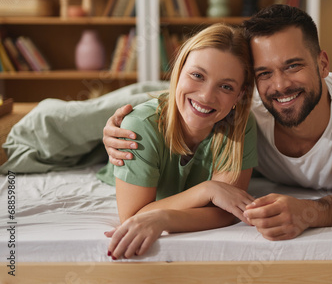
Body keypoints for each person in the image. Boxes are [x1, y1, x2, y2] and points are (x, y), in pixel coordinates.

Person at [103, 5, 332, 242]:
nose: (281, 85)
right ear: (254, 83)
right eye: (264, 73)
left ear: (323, 64)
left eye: (293, 65)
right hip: (151, 119)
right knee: (69, 118)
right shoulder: (245, 103)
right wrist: (116, 124)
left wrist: (308, 211)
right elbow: (179, 101)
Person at [97, 23, 258, 259]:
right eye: (197, 75)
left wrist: (165, 218)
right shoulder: (139, 124)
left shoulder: (241, 123)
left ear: (240, 94)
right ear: (179, 70)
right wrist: (208, 190)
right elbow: (133, 217)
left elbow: (226, 211)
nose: (206, 95)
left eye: (225, 86)